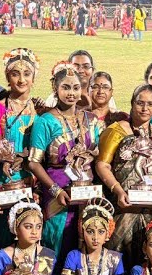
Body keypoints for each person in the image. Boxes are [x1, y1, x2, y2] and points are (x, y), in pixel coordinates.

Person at [28, 64, 102, 255]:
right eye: (66, 87)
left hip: (87, 192)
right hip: (58, 193)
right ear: (56, 89)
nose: (71, 93)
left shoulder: (91, 119)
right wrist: (55, 190)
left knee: (86, 242)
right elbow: (34, 163)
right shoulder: (45, 121)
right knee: (57, 242)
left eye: (76, 88)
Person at [96, 84, 152, 266]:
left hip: (151, 210)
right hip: (124, 207)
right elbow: (102, 165)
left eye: (151, 104)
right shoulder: (117, 130)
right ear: (131, 104)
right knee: (118, 258)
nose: (145, 109)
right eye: (140, 103)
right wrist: (118, 190)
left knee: (148, 257)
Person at [0, 48, 39, 254]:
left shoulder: (40, 111)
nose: (21, 79)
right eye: (15, 74)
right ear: (7, 77)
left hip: (31, 189)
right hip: (4, 188)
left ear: (34, 78)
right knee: (1, 246)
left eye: (27, 74)